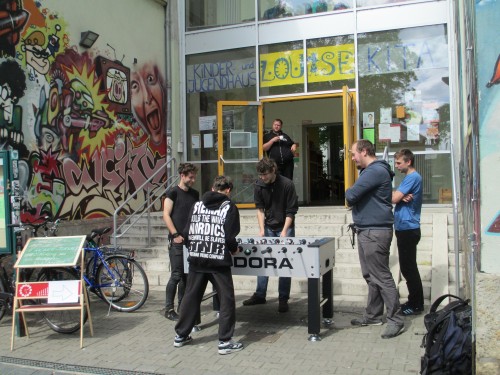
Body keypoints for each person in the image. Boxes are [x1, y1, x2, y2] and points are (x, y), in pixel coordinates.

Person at [173, 176, 243, 355]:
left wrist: (196, 248)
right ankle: (225, 342)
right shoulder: (229, 207)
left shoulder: (197, 205)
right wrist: (234, 249)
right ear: (228, 190)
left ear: (212, 188)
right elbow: (229, 237)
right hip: (218, 260)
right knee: (226, 300)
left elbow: (187, 232)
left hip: (197, 257)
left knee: (191, 296)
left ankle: (181, 335)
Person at [345, 139, 404, 339]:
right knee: (371, 276)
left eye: (354, 154)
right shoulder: (372, 172)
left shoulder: (374, 171)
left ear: (364, 151)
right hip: (367, 230)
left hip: (374, 232)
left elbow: (351, 195)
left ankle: (396, 319)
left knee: (381, 276)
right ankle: (373, 315)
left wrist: (350, 192)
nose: (353, 158)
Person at [242, 157, 299, 313]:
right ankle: (260, 294)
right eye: (260, 175)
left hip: (285, 225)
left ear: (273, 170)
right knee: (263, 261)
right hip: (268, 226)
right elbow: (260, 209)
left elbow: (291, 211)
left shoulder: (287, 184)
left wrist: (284, 232)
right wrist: (261, 230)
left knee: (285, 263)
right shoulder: (259, 185)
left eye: (265, 174)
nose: (263, 178)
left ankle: (283, 298)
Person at [162, 163, 199, 321]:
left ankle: (182, 306)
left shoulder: (195, 194)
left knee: (186, 275)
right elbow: (166, 215)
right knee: (176, 275)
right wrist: (175, 234)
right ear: (182, 176)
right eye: (190, 177)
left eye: (194, 177)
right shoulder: (172, 193)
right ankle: (168, 308)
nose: (193, 180)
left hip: (190, 240)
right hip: (177, 241)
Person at [392, 149, 424, 315]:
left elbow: (393, 199)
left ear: (408, 162)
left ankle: (416, 304)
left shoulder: (412, 177)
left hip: (408, 228)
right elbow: (398, 197)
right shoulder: (410, 178)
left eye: (399, 163)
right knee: (408, 267)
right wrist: (399, 195)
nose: (396, 166)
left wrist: (396, 195)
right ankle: (415, 301)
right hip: (405, 228)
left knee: (409, 268)